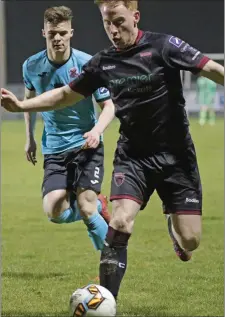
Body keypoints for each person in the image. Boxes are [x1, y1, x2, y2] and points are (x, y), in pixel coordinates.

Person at [1, 0, 224, 301]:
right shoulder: (102, 62)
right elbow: (65, 94)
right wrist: (21, 106)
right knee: (119, 223)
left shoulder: (163, 46)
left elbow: (208, 67)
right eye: (107, 23)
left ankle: (175, 231)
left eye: (119, 21)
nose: (113, 30)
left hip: (176, 157)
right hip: (132, 157)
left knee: (191, 240)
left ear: (135, 16)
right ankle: (106, 299)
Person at [23, 6, 112, 251]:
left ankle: (111, 262)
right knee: (54, 210)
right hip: (54, 147)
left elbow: (108, 106)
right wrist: (29, 137)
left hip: (86, 144)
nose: (58, 38)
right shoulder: (31, 66)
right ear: (44, 33)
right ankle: (97, 206)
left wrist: (97, 131)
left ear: (71, 32)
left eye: (62, 32)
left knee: (85, 206)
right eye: (52, 33)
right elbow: (29, 102)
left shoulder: (88, 64)